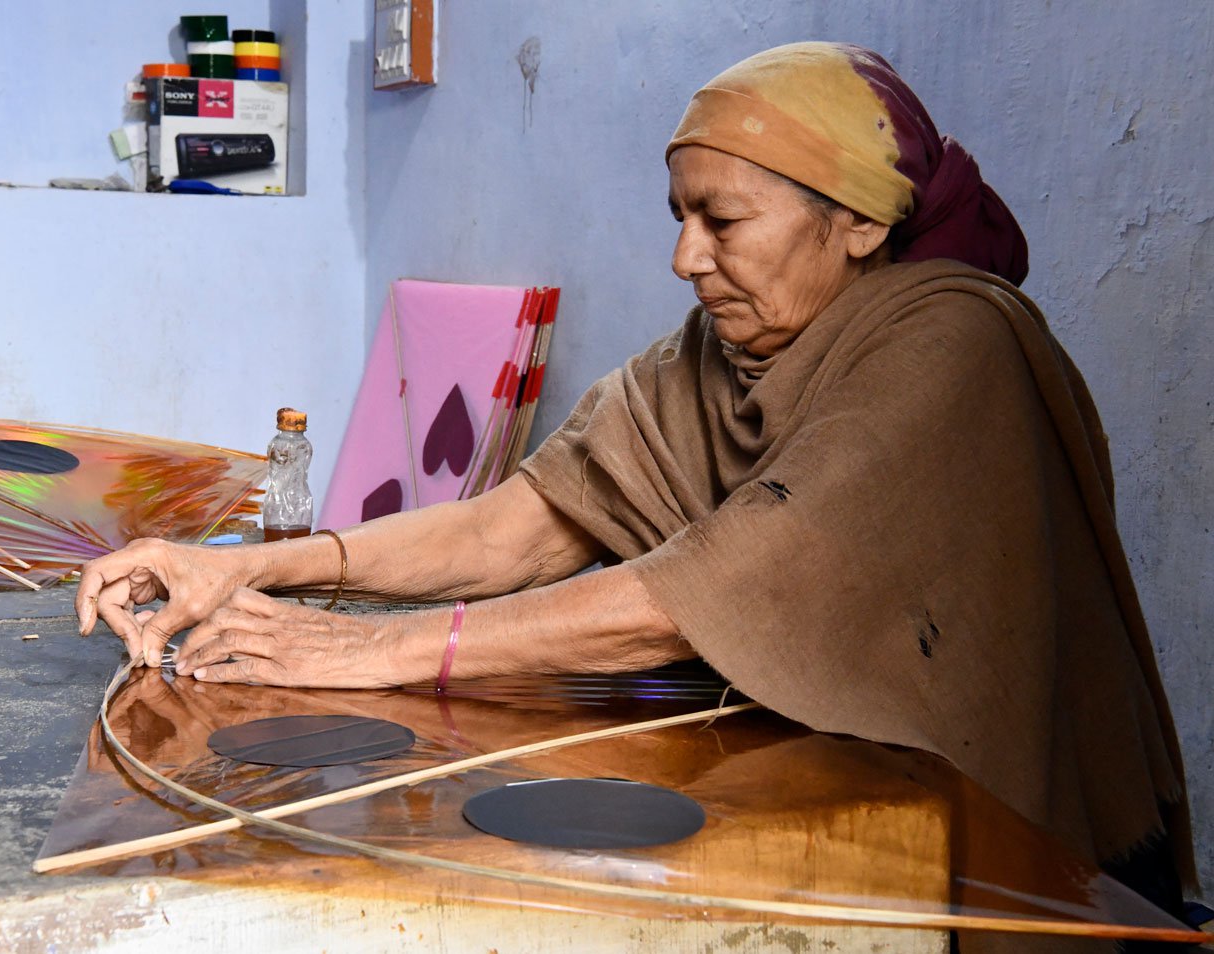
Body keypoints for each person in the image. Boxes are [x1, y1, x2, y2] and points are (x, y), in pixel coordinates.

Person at [76, 42, 1194, 923]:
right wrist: (245, 569)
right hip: (845, 803)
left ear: (855, 221)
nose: (685, 260)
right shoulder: (722, 352)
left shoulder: (953, 341)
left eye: (722, 222)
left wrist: (371, 652)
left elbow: (697, 591)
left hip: (1014, 837)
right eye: (679, 220)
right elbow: (521, 524)